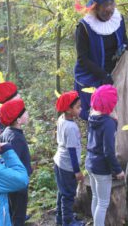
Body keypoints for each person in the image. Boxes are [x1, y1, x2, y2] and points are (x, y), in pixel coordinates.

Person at [74, 0, 128, 120]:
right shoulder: (85, 27)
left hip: (115, 75)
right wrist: (103, 75)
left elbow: (124, 41)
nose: (109, 13)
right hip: (92, 77)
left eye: (111, 9)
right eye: (105, 10)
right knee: (97, 118)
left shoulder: (118, 20)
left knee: (116, 116)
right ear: (96, 8)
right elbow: (83, 59)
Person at [85, 85, 125, 226]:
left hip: (90, 162)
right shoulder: (108, 123)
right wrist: (118, 170)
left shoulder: (92, 116)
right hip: (101, 167)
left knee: (96, 197)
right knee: (103, 203)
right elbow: (108, 151)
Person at [53, 91, 85, 226]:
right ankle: (68, 221)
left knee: (62, 192)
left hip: (59, 161)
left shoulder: (62, 118)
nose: (81, 109)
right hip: (67, 166)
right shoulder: (71, 127)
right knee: (68, 194)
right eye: (78, 107)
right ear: (68, 109)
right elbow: (72, 151)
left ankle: (60, 217)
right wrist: (77, 171)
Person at [0, 99, 32, 226]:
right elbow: (14, 162)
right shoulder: (15, 138)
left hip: (12, 182)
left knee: (14, 210)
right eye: (25, 112)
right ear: (18, 120)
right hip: (18, 183)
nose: (27, 113)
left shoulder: (7, 132)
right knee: (19, 214)